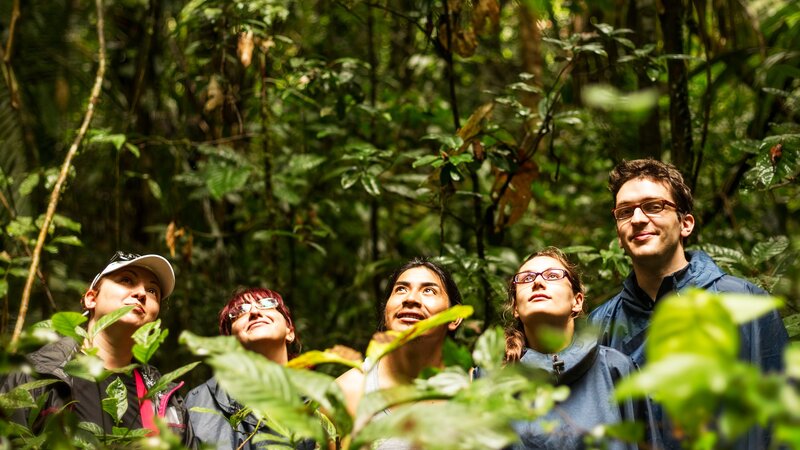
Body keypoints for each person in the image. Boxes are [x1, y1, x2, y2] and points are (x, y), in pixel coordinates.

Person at [588, 158, 789, 447]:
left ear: (686, 224)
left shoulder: (744, 302)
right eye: (625, 211)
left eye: (653, 206)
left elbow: (781, 420)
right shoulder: (600, 324)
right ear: (619, 234)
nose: (638, 219)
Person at [0, 251, 195, 446]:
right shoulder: (37, 375)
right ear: (91, 298)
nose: (141, 293)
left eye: (153, 291)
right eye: (126, 280)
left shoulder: (167, 400)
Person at [491, 247, 658, 450]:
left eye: (552, 275)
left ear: (577, 301)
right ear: (516, 308)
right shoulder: (491, 376)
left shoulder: (616, 369)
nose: (537, 282)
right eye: (526, 278)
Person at [335, 257, 463, 448]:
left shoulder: (473, 387)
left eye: (429, 290)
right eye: (401, 289)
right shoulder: (347, 391)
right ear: (386, 310)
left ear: (454, 317)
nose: (410, 299)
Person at [185, 287, 314, 449]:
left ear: (290, 332)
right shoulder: (200, 403)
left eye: (266, 304)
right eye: (240, 311)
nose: (254, 311)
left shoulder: (320, 400)